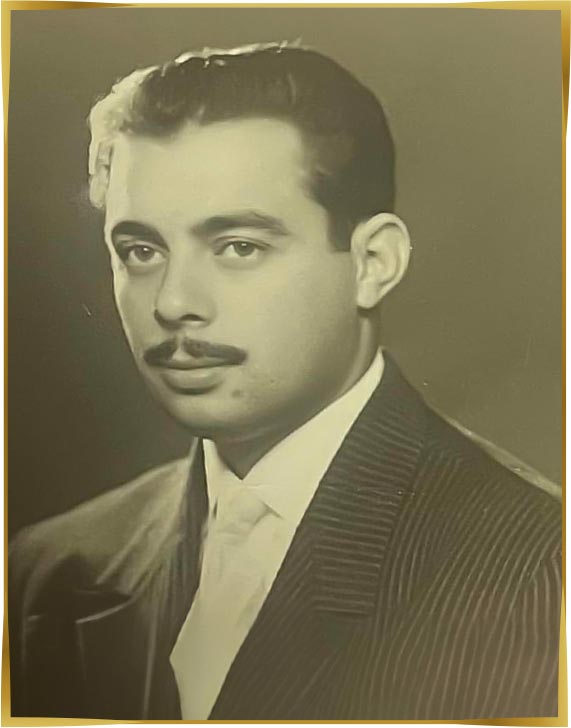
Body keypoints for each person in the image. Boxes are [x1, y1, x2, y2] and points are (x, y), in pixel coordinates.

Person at [8, 43, 561, 721]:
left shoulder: (541, 569)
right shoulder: (46, 569)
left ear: (373, 263)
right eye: (141, 250)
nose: (173, 302)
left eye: (239, 246)